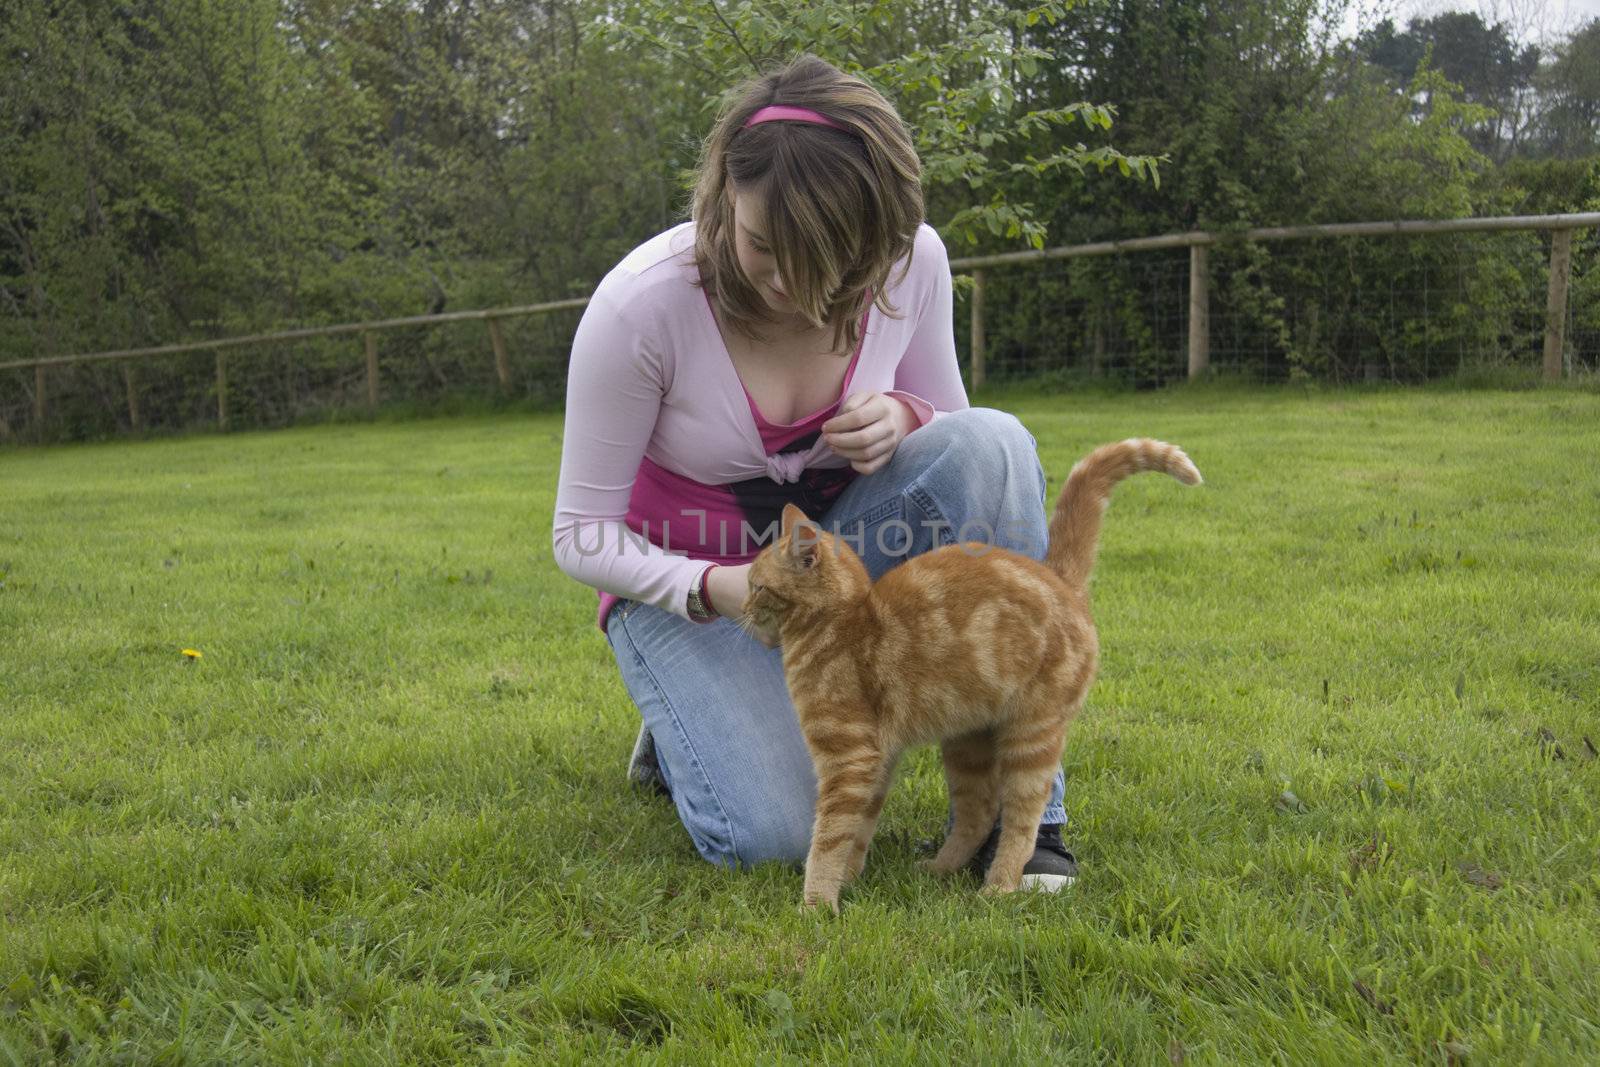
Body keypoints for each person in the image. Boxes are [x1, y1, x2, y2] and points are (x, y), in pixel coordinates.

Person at [551, 54, 1076, 890]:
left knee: (999, 444)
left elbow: (958, 434)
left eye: (826, 261)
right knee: (772, 833)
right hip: (687, 590)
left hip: (836, 567)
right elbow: (578, 536)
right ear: (726, 187)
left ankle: (1031, 818)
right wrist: (714, 586)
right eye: (765, 245)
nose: (792, 285)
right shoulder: (639, 309)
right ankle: (686, 713)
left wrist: (908, 414)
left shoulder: (913, 261)